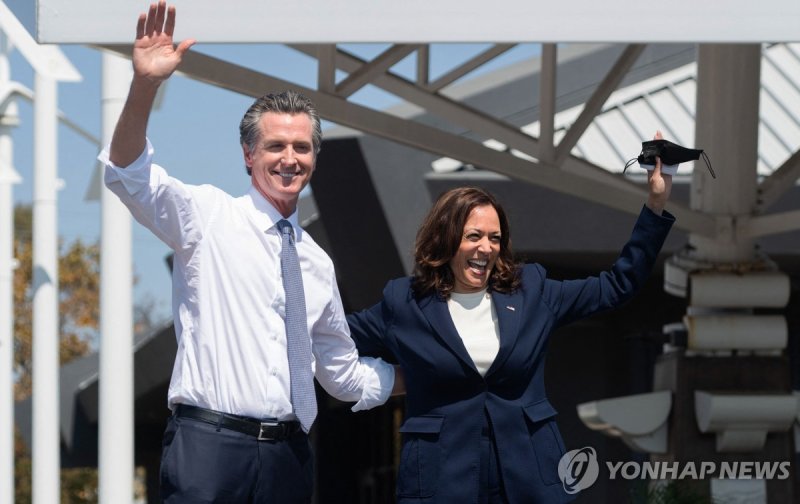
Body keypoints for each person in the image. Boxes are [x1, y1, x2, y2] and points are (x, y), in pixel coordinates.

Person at [100, 2, 395, 502]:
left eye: (301, 148)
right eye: (276, 146)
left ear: (314, 158)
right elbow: (128, 176)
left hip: (291, 457)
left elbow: (342, 374)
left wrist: (432, 370)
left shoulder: (317, 263)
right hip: (210, 452)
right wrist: (145, 84)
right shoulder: (209, 217)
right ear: (248, 155)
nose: (289, 158)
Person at [347, 139, 675, 503]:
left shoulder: (532, 290)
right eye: (473, 236)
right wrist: (386, 379)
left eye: (495, 238)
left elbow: (617, 285)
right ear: (445, 238)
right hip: (441, 481)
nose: (486, 248)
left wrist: (655, 207)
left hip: (530, 478)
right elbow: (335, 340)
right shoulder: (404, 302)